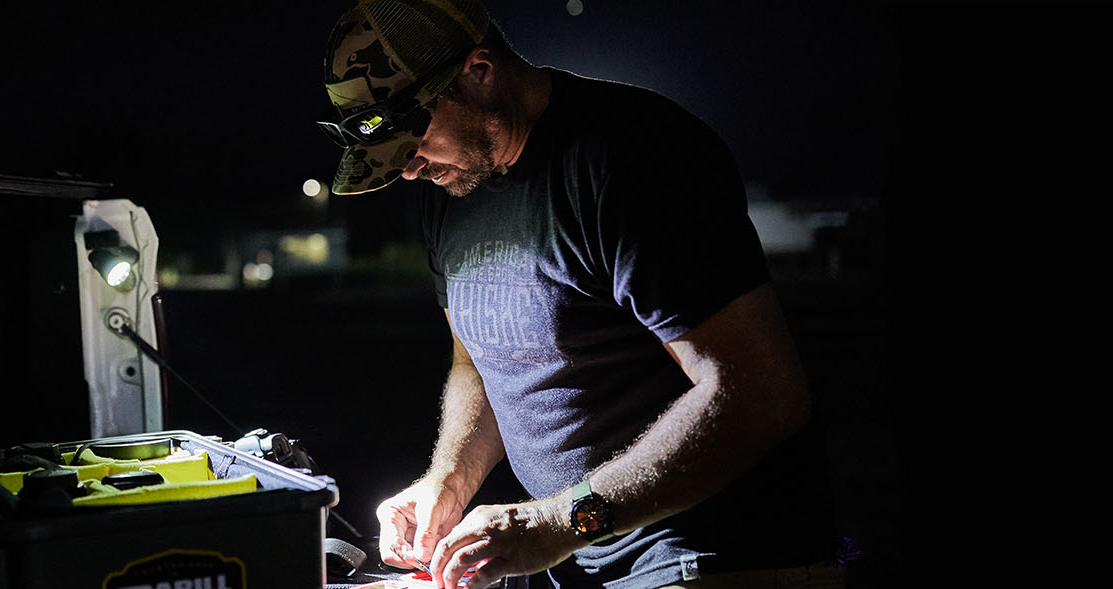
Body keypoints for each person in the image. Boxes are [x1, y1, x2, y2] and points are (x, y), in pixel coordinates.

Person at [315, 1, 843, 588]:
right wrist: (448, 481)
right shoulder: (455, 185)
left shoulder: (636, 157)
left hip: (718, 554)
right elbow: (477, 361)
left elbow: (761, 392)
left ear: (479, 70)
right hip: (577, 558)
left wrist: (558, 523)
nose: (410, 169)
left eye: (413, 140)